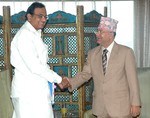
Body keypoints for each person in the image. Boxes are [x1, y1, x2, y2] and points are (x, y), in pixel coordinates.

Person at [62, 17, 141, 118]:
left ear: (111, 34)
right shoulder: (92, 53)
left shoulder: (126, 52)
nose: (97, 34)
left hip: (121, 108)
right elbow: (85, 74)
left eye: (101, 31)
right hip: (100, 108)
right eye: (97, 31)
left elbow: (133, 80)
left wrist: (136, 104)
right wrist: (70, 82)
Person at [10, 2, 69, 118]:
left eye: (45, 17)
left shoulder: (34, 34)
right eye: (40, 16)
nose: (43, 20)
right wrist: (58, 79)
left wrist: (56, 79)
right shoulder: (24, 36)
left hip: (35, 92)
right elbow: (35, 66)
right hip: (28, 94)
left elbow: (41, 64)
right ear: (29, 16)